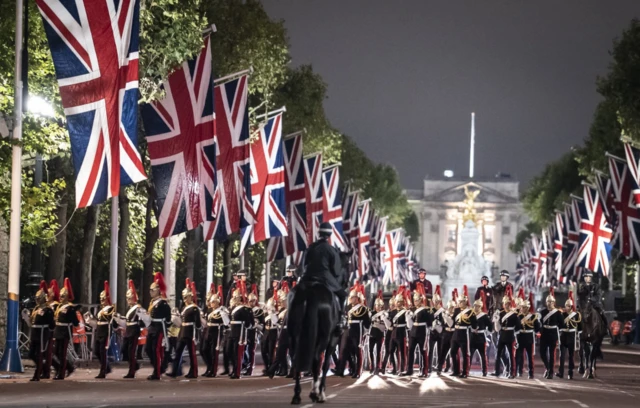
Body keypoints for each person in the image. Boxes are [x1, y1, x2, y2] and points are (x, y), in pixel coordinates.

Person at [168, 279, 202, 379]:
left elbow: (198, 324)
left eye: (186, 297)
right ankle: (175, 371)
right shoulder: (184, 308)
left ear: (191, 296)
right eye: (184, 297)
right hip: (182, 331)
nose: (184, 299)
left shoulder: (194, 308)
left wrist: (196, 335)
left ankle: (194, 372)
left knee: (192, 354)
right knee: (178, 352)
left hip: (190, 332)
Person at [338, 282, 370, 378]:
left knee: (357, 351)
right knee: (345, 350)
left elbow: (366, 323)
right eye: (351, 297)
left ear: (358, 298)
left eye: (354, 297)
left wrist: (366, 330)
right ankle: (349, 368)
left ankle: (358, 371)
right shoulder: (348, 307)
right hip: (348, 330)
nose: (352, 299)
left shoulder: (363, 309)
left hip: (357, 330)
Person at [119, 280, 148, 379]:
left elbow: (144, 321)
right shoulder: (130, 308)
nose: (128, 300)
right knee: (124, 351)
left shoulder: (138, 308)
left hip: (134, 331)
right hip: (128, 331)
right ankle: (135, 365)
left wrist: (140, 321)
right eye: (127, 298)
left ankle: (131, 371)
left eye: (129, 298)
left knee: (131, 352)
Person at [52, 278, 80, 380]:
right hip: (58, 331)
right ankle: (68, 367)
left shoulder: (70, 307)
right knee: (55, 353)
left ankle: (61, 373)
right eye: (60, 296)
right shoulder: (59, 306)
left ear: (67, 296)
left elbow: (75, 322)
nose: (60, 297)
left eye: (63, 296)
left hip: (64, 332)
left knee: (62, 353)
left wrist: (72, 313)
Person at [403, 283, 433, 378]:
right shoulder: (412, 309)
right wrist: (408, 317)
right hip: (413, 332)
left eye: (417, 300)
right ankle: (409, 370)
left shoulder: (425, 310)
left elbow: (429, 323)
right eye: (415, 300)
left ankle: (424, 370)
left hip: (422, 332)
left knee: (423, 351)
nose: (416, 302)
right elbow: (410, 324)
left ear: (421, 300)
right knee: (410, 351)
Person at [146, 272, 172, 380]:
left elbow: (168, 319)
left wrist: (165, 328)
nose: (151, 292)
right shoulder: (152, 303)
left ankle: (157, 373)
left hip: (159, 328)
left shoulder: (163, 303)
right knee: (148, 349)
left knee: (156, 350)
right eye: (150, 290)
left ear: (158, 290)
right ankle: (158, 367)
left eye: (153, 290)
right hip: (152, 328)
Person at [491, 287, 521, 379]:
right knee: (498, 353)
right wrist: (496, 321)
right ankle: (497, 371)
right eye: (505, 303)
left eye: (507, 303)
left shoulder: (514, 314)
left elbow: (518, 327)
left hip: (510, 335)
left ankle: (512, 372)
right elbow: (497, 329)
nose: (506, 305)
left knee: (511, 355)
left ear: (510, 304)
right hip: (502, 334)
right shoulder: (500, 313)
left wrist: (516, 339)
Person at [227, 281, 254, 379]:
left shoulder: (244, 309)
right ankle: (234, 369)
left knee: (237, 353)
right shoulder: (233, 308)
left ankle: (237, 372)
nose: (234, 299)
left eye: (235, 297)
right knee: (230, 352)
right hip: (232, 332)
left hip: (240, 333)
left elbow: (249, 323)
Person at [28, 281, 55, 382]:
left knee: (40, 354)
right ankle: (42, 367)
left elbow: (52, 324)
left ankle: (37, 374)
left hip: (42, 332)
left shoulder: (48, 310)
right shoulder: (36, 308)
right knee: (31, 354)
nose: (37, 300)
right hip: (35, 332)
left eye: (39, 298)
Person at [201, 284, 229, 377]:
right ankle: (209, 367)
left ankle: (213, 371)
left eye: (213, 302)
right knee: (205, 350)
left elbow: (226, 323)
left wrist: (223, 314)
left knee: (214, 352)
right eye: (211, 302)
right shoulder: (209, 311)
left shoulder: (222, 311)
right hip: (208, 331)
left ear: (217, 302)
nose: (211, 304)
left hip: (216, 332)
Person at [93, 281, 117, 379]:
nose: (101, 300)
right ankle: (107, 367)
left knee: (103, 352)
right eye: (101, 298)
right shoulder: (101, 310)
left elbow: (110, 320)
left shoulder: (110, 309)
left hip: (105, 332)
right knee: (96, 351)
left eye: (103, 298)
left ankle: (103, 371)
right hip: (99, 331)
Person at [450, 286, 476, 378]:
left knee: (465, 354)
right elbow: (452, 321)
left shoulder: (470, 312)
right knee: (452, 352)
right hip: (456, 332)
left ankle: (465, 372)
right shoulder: (456, 310)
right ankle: (456, 370)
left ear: (465, 302)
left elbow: (474, 324)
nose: (460, 303)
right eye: (459, 301)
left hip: (465, 334)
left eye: (462, 301)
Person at [539, 288, 564, 380]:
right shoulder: (543, 312)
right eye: (548, 302)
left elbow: (562, 325)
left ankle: (550, 372)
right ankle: (548, 367)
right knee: (542, 353)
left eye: (551, 302)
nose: (549, 303)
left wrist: (560, 336)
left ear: (554, 303)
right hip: (544, 333)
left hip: (553, 334)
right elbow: (540, 323)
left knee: (551, 354)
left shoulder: (558, 313)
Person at [267, 283, 291, 378]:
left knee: (293, 354)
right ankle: (272, 370)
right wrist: (271, 313)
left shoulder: (291, 310)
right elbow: (277, 322)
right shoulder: (282, 311)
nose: (281, 302)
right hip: (283, 333)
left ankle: (294, 372)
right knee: (279, 353)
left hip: (290, 333)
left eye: (283, 301)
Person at [557, 290, 581, 380]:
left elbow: (579, 326)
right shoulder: (561, 314)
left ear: (571, 306)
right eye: (566, 306)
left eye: (568, 306)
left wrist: (580, 334)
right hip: (563, 335)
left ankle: (570, 373)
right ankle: (561, 372)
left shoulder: (576, 315)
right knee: (561, 356)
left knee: (571, 356)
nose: (567, 307)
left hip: (571, 336)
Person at [387, 287, 410, 375]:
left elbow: (407, 324)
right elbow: (390, 324)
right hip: (394, 332)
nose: (397, 303)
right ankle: (394, 368)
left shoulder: (405, 312)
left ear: (402, 302)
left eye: (399, 301)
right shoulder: (393, 312)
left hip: (401, 332)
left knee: (402, 352)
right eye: (397, 301)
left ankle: (402, 369)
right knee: (391, 351)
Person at [516, 292, 539, 379]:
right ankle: (520, 371)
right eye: (522, 307)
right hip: (521, 337)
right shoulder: (519, 316)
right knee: (520, 356)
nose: (523, 309)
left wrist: (538, 333)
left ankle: (531, 373)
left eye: (524, 307)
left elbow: (537, 328)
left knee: (530, 357)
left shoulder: (533, 317)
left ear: (528, 308)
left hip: (529, 337)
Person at [470, 292, 492, 377]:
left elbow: (490, 326)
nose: (476, 307)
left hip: (481, 337)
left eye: (478, 306)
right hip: (472, 337)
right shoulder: (471, 315)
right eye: (475, 306)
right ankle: (467, 370)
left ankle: (484, 371)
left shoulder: (484, 316)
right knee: (470, 355)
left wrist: (485, 333)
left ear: (481, 307)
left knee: (483, 355)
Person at [369, 290, 391, 375]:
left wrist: (384, 318)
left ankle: (378, 367)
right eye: (376, 305)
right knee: (370, 350)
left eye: (379, 306)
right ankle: (372, 366)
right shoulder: (372, 313)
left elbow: (386, 325)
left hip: (380, 333)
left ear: (382, 306)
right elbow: (369, 322)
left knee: (379, 351)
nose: (378, 307)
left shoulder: (385, 313)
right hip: (372, 332)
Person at [244, 284, 264, 376]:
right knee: (244, 350)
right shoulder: (246, 309)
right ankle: (245, 365)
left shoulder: (259, 311)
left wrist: (256, 325)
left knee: (251, 350)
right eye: (249, 301)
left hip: (254, 332)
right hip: (245, 332)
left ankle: (250, 368)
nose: (251, 302)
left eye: (252, 301)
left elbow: (262, 323)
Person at [436, 292, 457, 374]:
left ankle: (454, 369)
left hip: (453, 334)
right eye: (450, 307)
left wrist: (446, 317)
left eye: (453, 307)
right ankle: (440, 367)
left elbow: (451, 324)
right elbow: (442, 324)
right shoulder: (444, 313)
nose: (452, 308)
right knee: (443, 351)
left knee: (453, 353)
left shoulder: (456, 315)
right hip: (446, 334)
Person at [261, 290, 280, 375]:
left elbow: (275, 322)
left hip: (273, 331)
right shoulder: (266, 313)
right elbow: (263, 322)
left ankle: (271, 368)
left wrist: (272, 313)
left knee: (271, 351)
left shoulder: (277, 313)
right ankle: (267, 366)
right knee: (264, 350)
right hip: (266, 331)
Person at [381, 292, 398, 374]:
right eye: (390, 304)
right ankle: (384, 367)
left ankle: (393, 368)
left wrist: (385, 318)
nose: (391, 306)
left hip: (393, 332)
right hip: (389, 332)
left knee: (390, 351)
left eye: (392, 304)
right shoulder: (390, 312)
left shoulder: (395, 313)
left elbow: (389, 324)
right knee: (388, 351)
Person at [428, 286, 444, 373]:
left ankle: (439, 367)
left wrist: (439, 323)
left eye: (437, 301)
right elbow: (428, 320)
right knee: (430, 351)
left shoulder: (442, 311)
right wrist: (431, 325)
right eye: (435, 301)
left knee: (440, 351)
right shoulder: (431, 310)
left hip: (440, 333)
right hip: (432, 332)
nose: (436, 302)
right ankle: (429, 367)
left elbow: (444, 322)